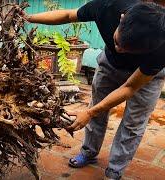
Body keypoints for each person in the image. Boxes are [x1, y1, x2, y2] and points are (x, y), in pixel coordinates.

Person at [22, 0, 165, 179]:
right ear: (122, 18)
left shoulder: (162, 46)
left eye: (128, 50)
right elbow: (68, 15)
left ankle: (116, 168)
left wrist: (89, 113)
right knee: (97, 107)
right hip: (109, 65)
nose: (119, 49)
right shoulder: (107, 6)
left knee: (133, 123)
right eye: (116, 42)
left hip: (145, 78)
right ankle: (89, 152)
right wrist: (28, 18)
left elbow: (129, 87)